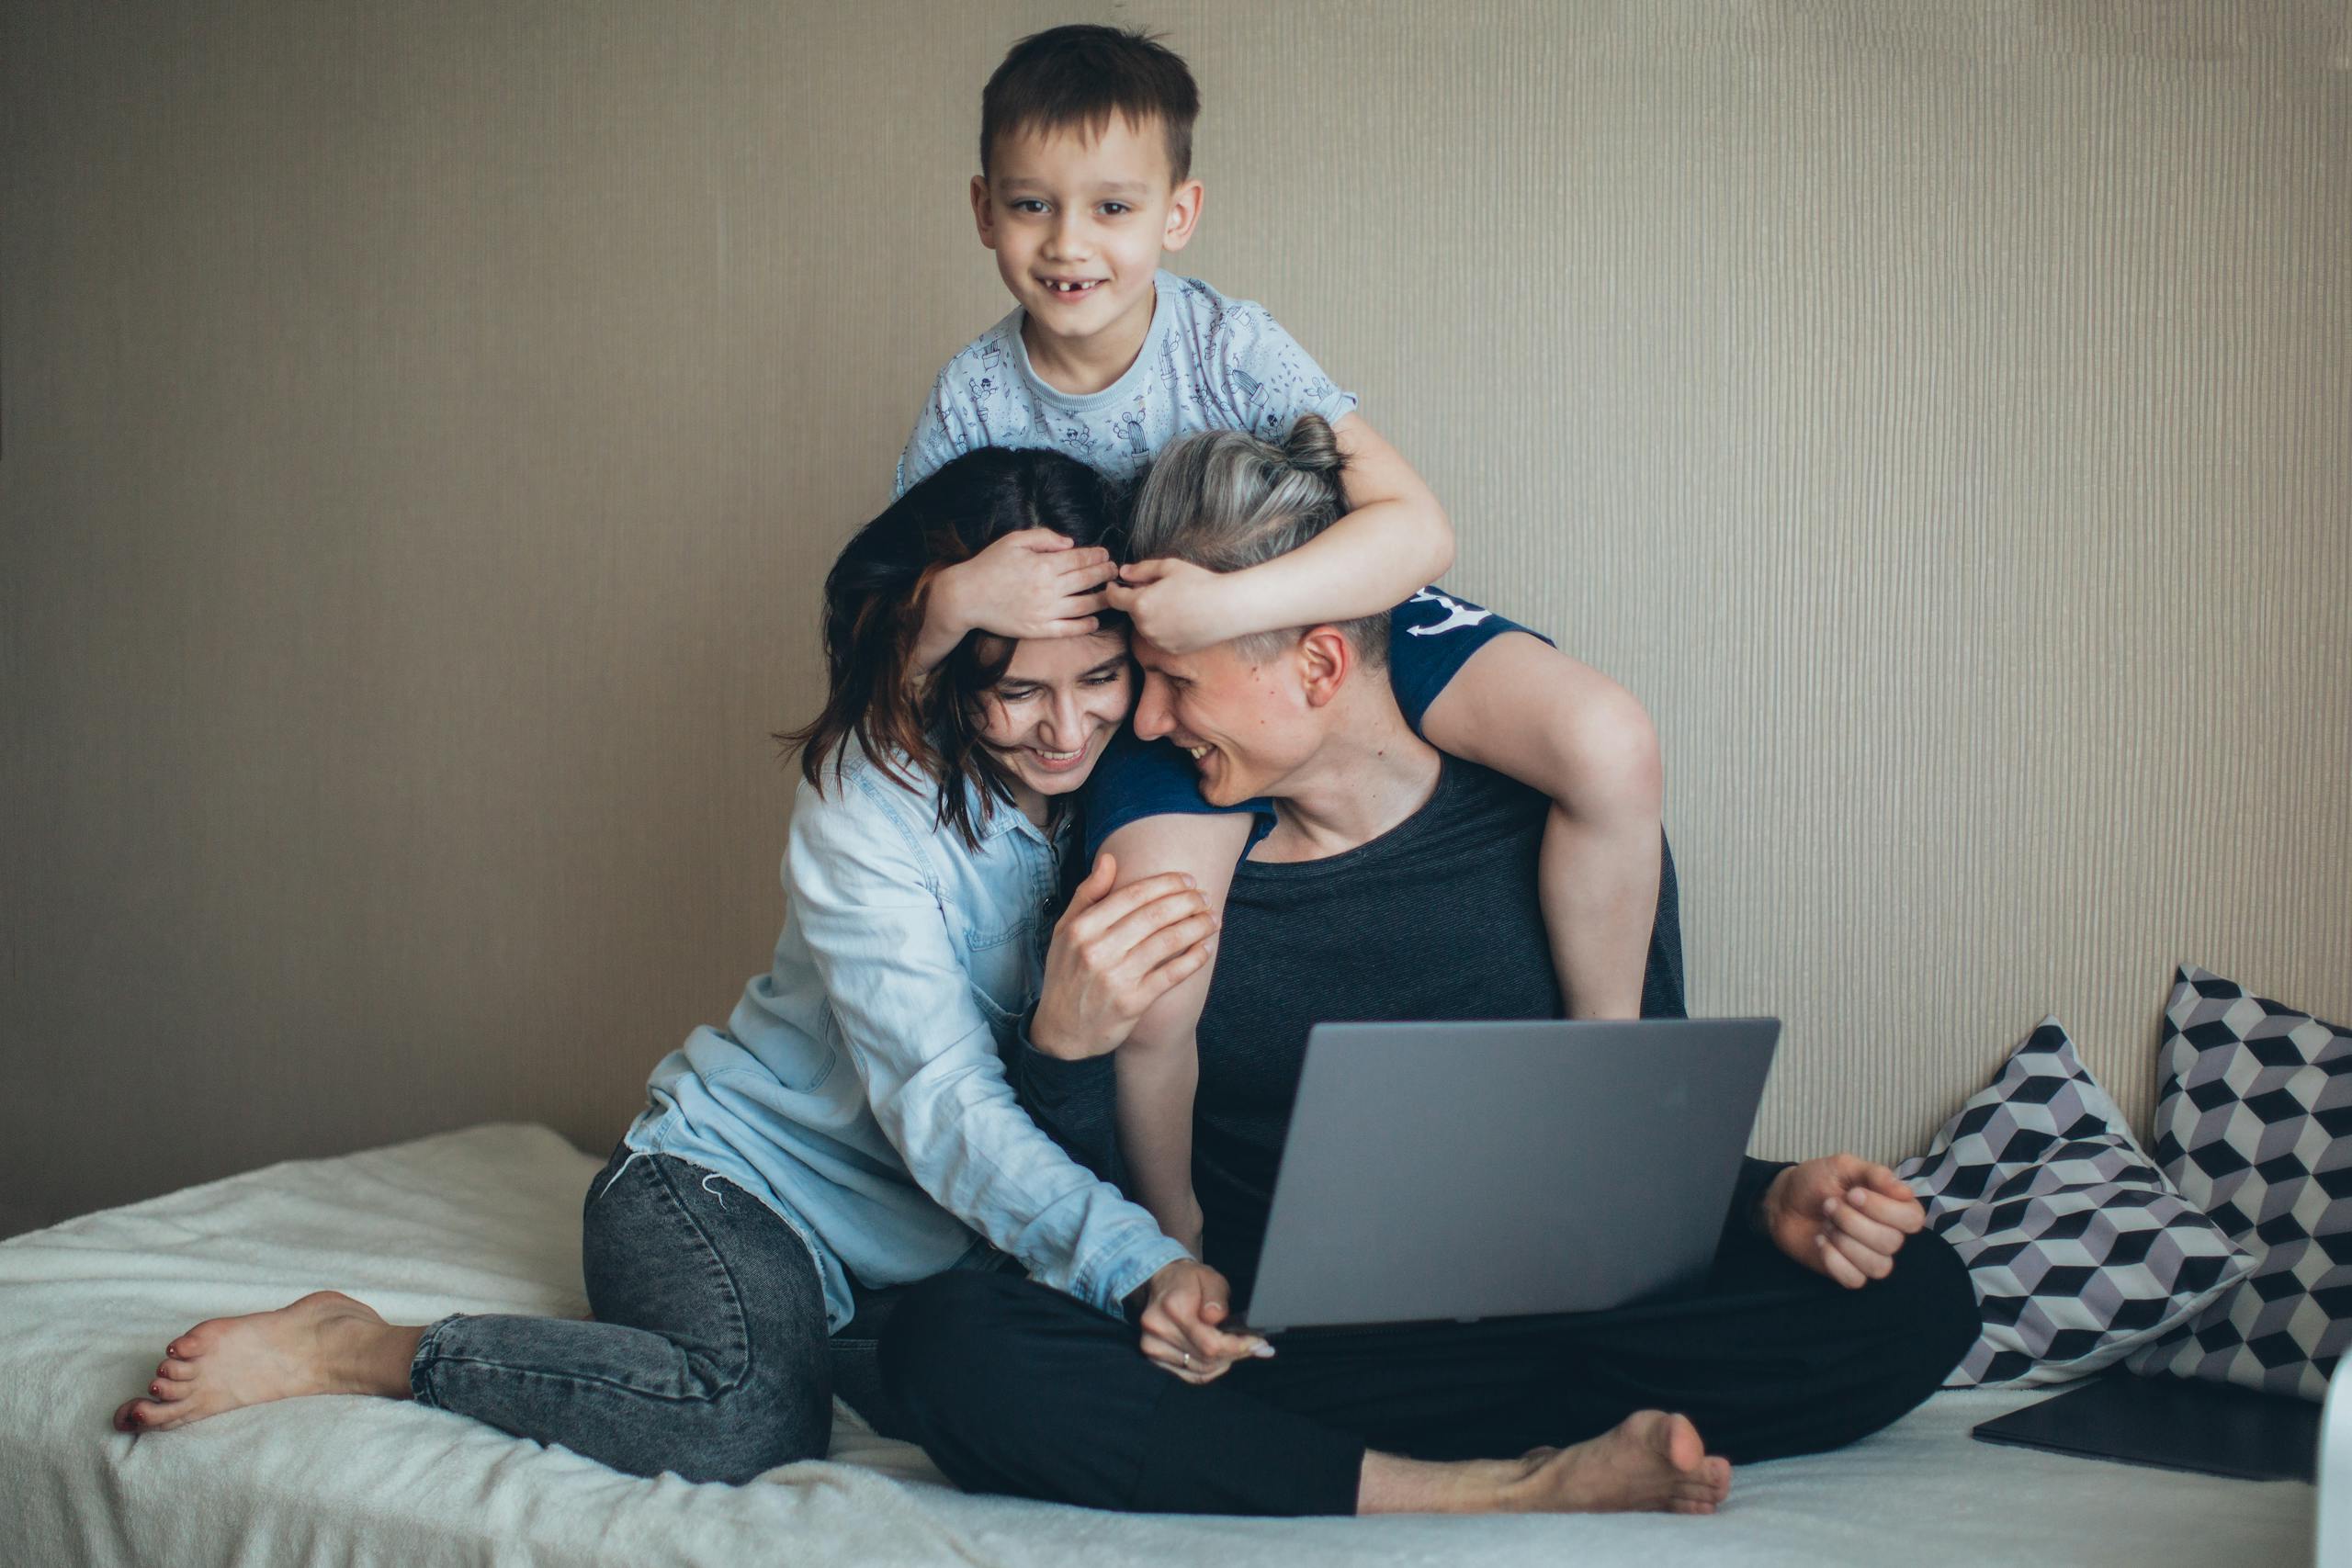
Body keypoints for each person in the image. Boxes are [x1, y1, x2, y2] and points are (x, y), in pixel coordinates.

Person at [874, 423, 1984, 1518]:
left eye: (1173, 681)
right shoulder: (1161, 857)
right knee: (949, 1349)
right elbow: (1085, 1209)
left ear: (1316, 663)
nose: (1141, 721)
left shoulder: (1557, 833)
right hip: (1279, 1344)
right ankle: (1504, 1483)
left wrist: (1764, 1203)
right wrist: (1061, 1048)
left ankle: (1318, 1465)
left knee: (1918, 1294)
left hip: (1552, 1324)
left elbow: (1616, 1144)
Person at [107, 449, 1225, 1483]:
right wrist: (1134, 1258)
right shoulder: (869, 800)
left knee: (1056, 1386)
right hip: (726, 1189)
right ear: (944, 677)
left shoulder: (1129, 792)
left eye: (1099, 680)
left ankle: (821, 1345)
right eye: (1016, 691)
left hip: (922, 1259)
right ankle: (365, 1346)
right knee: (746, 1415)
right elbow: (943, 1105)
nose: (1065, 729)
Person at [903, 21, 1673, 1262]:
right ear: (984, 210)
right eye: (1034, 206)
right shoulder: (972, 400)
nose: (1069, 242)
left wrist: (1236, 608)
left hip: (1310, 616)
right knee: (1160, 949)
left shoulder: (1232, 345)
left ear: (1178, 212)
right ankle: (1176, 1237)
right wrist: (963, 592)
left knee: (1610, 740)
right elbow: (898, 615)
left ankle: (1605, 1072)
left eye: (1111, 205)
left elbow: (1417, 528)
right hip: (1156, 686)